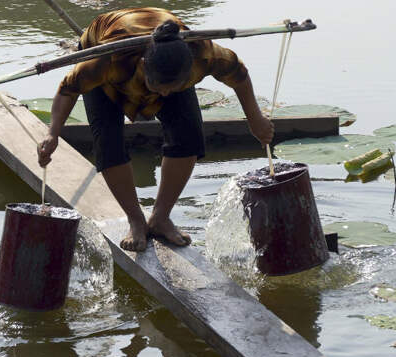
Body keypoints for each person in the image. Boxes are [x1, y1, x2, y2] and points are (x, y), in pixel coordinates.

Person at [38, 7, 274, 252]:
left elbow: (239, 74)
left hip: (168, 61)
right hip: (108, 53)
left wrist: (255, 119)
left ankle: (161, 217)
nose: (163, 94)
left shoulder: (203, 54)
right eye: (157, 87)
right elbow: (68, 89)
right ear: (143, 66)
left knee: (188, 135)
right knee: (108, 143)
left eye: (171, 89)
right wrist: (53, 133)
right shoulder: (108, 61)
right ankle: (135, 219)